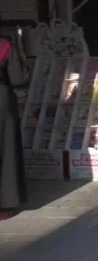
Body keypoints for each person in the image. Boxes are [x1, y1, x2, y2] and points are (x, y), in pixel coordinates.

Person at [0, 36, 28, 219]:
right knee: (6, 151)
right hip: (1, 104)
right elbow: (18, 79)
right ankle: (5, 204)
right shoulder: (5, 45)